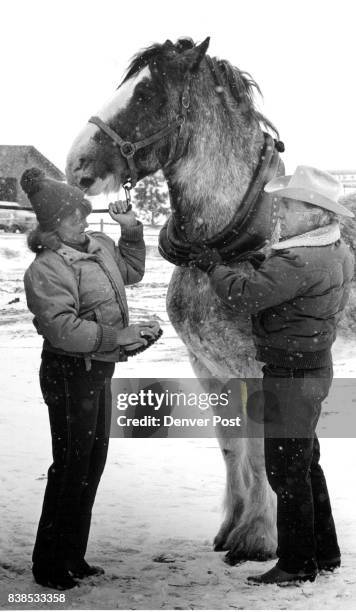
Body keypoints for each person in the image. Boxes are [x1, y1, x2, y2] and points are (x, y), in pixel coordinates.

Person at [189, 166, 354, 584]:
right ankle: (324, 550)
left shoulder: (299, 258)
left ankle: (297, 563)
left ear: (315, 213)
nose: (279, 209)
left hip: (289, 375)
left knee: (286, 472)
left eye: (290, 204)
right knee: (307, 463)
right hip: (313, 368)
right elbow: (286, 275)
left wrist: (213, 267)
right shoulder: (335, 249)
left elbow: (244, 296)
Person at [22, 167, 160, 590]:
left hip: (98, 368)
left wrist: (131, 229)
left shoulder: (98, 246)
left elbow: (132, 271)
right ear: (51, 226)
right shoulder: (46, 269)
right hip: (68, 374)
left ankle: (72, 555)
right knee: (70, 468)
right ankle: (49, 565)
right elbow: (62, 329)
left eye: (82, 213)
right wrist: (118, 335)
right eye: (71, 218)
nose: (81, 221)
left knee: (92, 464)